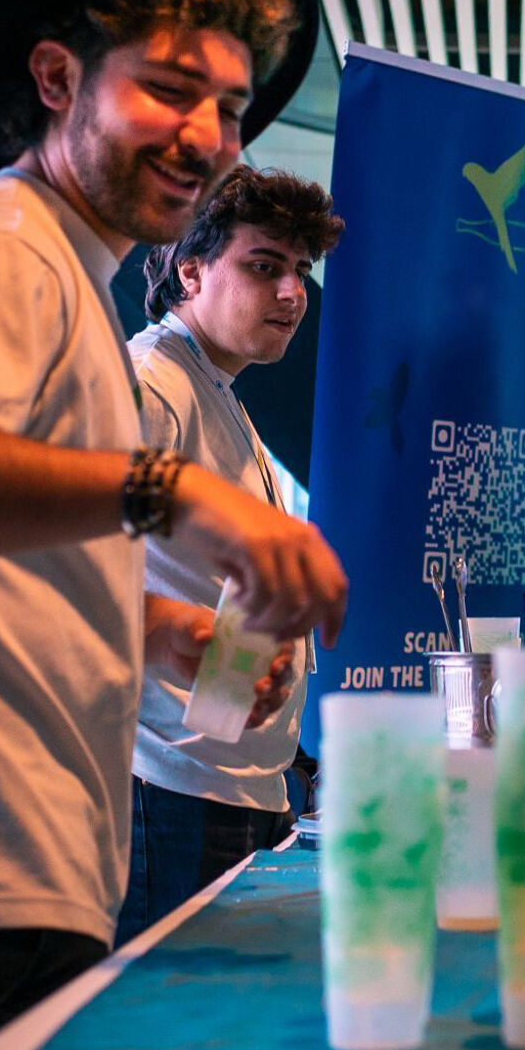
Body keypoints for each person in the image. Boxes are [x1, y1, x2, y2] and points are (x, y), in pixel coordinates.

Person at [0, 0, 349, 1050]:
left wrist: (156, 628)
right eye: (172, 88)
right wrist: (169, 489)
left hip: (35, 877)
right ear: (55, 77)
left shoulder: (71, 285)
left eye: (231, 108)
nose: (207, 135)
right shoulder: (0, 242)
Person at [115, 164, 343, 945]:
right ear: (190, 269)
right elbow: (69, 564)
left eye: (299, 272)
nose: (292, 293)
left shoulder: (212, 388)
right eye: (263, 265)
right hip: (171, 788)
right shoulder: (153, 380)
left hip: (235, 784)